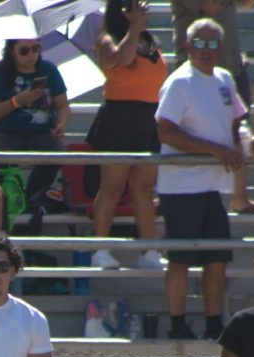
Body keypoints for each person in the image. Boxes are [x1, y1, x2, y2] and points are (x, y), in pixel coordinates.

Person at [155, 19, 244, 340]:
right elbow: (166, 130)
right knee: (180, 259)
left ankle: (213, 323)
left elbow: (236, 123)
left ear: (221, 48)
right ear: (188, 46)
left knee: (217, 259)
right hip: (181, 186)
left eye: (212, 44)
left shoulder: (224, 78)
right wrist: (215, 150)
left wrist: (246, 141)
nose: (206, 51)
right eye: (200, 44)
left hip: (213, 185)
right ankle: (177, 325)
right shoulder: (180, 82)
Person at [89, 0, 167, 270]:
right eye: (135, 5)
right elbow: (122, 59)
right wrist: (134, 26)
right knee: (112, 185)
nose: (142, 8)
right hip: (119, 117)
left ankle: (149, 251)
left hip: (148, 118)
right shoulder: (107, 39)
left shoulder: (149, 40)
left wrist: (137, 28)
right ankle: (100, 249)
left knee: (144, 188)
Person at [170, 0, 254, 216]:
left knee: (238, 132)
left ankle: (239, 197)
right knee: (191, 132)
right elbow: (209, 6)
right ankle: (184, 197)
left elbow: (250, 3)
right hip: (196, 73)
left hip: (230, 68)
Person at [0, 38, 71, 203]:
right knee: (2, 155)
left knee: (55, 151)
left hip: (41, 132)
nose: (31, 55)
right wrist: (16, 102)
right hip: (5, 131)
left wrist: (61, 124)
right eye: (24, 50)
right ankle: (7, 201)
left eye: (35, 49)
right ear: (11, 51)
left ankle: (31, 198)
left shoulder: (48, 69)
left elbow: (63, 105)